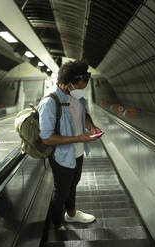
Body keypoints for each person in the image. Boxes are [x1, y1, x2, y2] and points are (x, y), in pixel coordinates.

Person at [38, 60, 102, 231]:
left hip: (78, 152)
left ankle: (71, 214)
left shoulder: (77, 98)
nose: (82, 90)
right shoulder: (50, 102)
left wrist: (92, 126)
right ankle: (57, 223)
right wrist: (78, 138)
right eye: (80, 87)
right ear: (69, 83)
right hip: (62, 155)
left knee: (73, 184)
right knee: (62, 191)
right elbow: (46, 138)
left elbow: (84, 115)